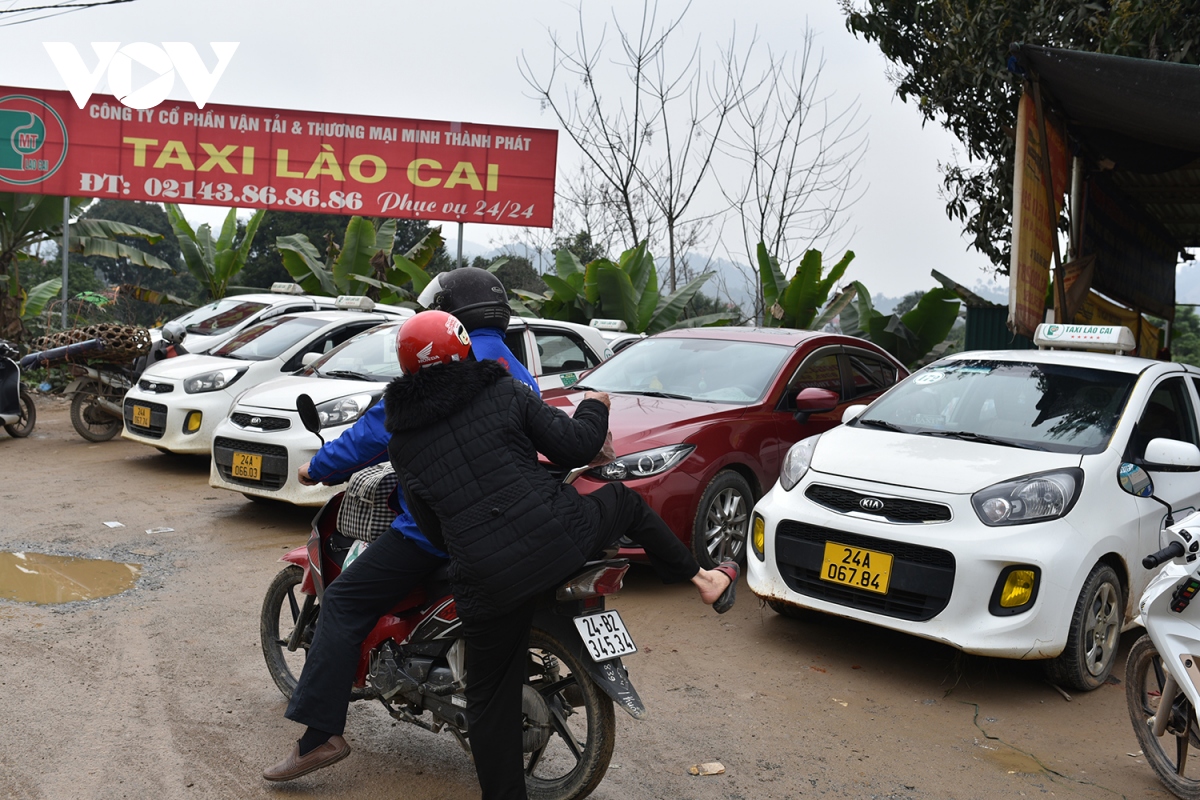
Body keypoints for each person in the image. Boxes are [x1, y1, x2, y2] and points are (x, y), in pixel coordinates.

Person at [383, 310, 738, 800]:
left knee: (488, 699)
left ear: (407, 370)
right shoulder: (502, 390)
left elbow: (433, 530)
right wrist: (595, 404)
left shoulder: (402, 442)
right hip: (561, 538)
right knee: (624, 501)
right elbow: (576, 445)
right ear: (463, 349)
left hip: (489, 580)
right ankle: (704, 579)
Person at [263, 269, 538, 783]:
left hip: (439, 530)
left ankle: (319, 737)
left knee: (345, 601)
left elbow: (371, 433)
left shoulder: (443, 367)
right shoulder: (517, 372)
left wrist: (316, 467)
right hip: (517, 523)